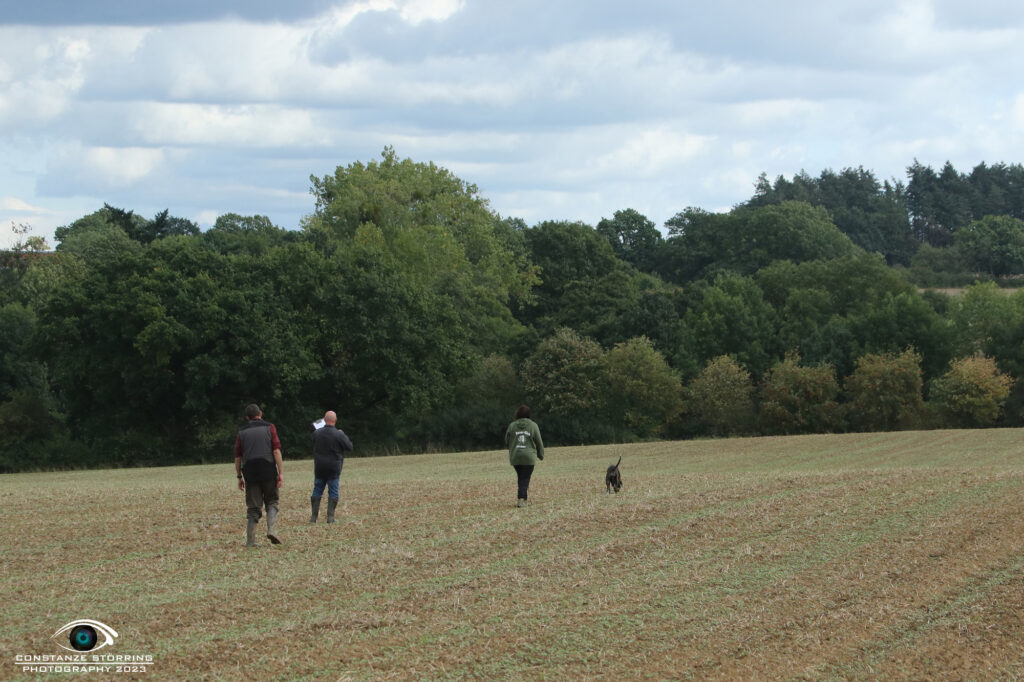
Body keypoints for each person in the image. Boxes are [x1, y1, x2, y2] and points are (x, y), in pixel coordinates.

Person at [234, 404, 284, 547]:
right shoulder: (270, 427)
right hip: (268, 469)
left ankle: (250, 541)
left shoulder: (241, 432)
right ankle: (272, 530)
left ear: (246, 417)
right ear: (260, 413)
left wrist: (239, 477)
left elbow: (238, 457)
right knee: (272, 501)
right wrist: (280, 472)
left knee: (253, 507)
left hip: (250, 472)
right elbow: (276, 451)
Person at [310, 410, 353, 524]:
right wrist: (343, 434)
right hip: (334, 467)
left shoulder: (317, 433)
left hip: (319, 467)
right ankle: (330, 518)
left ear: (324, 420)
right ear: (335, 420)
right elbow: (349, 447)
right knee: (333, 491)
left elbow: (313, 439)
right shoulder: (339, 434)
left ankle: (314, 517)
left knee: (317, 490)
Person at [504, 405, 544, 507]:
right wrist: (541, 455)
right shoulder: (533, 425)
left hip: (516, 456)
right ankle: (521, 500)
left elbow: (506, 440)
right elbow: (539, 442)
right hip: (529, 457)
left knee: (522, 478)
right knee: (525, 478)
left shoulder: (512, 426)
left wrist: (511, 447)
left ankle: (523, 499)